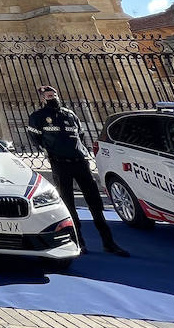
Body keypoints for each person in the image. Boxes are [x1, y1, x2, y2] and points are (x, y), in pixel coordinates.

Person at [26, 85, 129, 256]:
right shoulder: (38, 117)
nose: (52, 97)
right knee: (68, 204)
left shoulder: (70, 114)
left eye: (54, 94)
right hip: (60, 163)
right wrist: (49, 151)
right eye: (48, 95)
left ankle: (108, 242)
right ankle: (78, 241)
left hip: (80, 161)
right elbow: (35, 138)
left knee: (95, 203)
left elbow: (79, 134)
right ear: (43, 98)